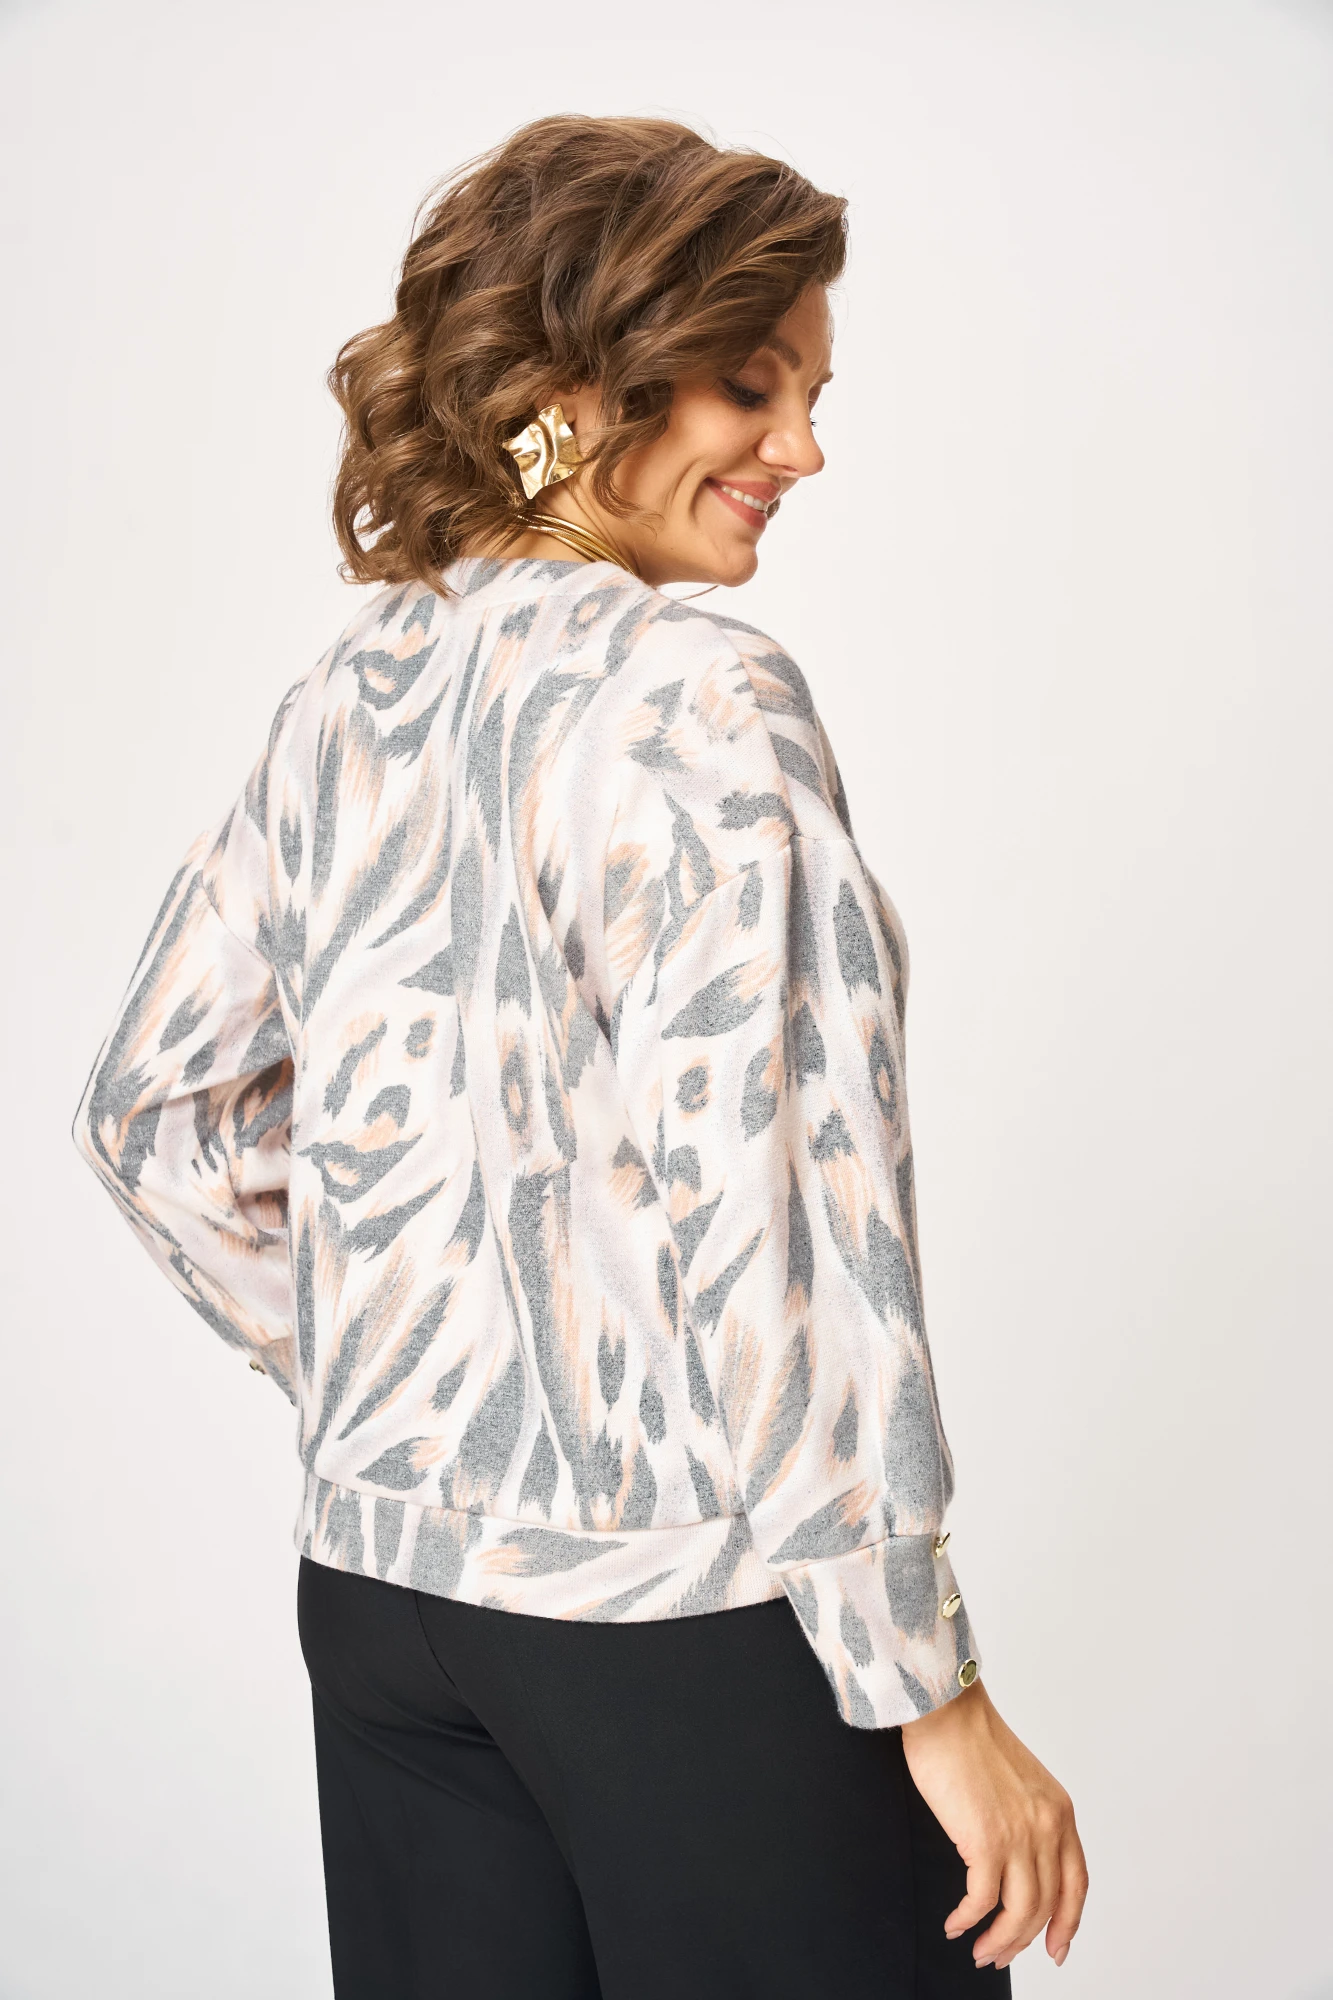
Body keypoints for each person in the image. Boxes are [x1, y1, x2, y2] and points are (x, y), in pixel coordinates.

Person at [72, 114, 1087, 1998]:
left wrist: (411, 1385)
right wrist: (928, 1685)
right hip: (679, 1630)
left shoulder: (354, 693)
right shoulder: (702, 698)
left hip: (384, 1605)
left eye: (812, 396)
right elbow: (791, 1226)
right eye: (750, 385)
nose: (801, 450)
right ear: (578, 384)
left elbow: (153, 1114)